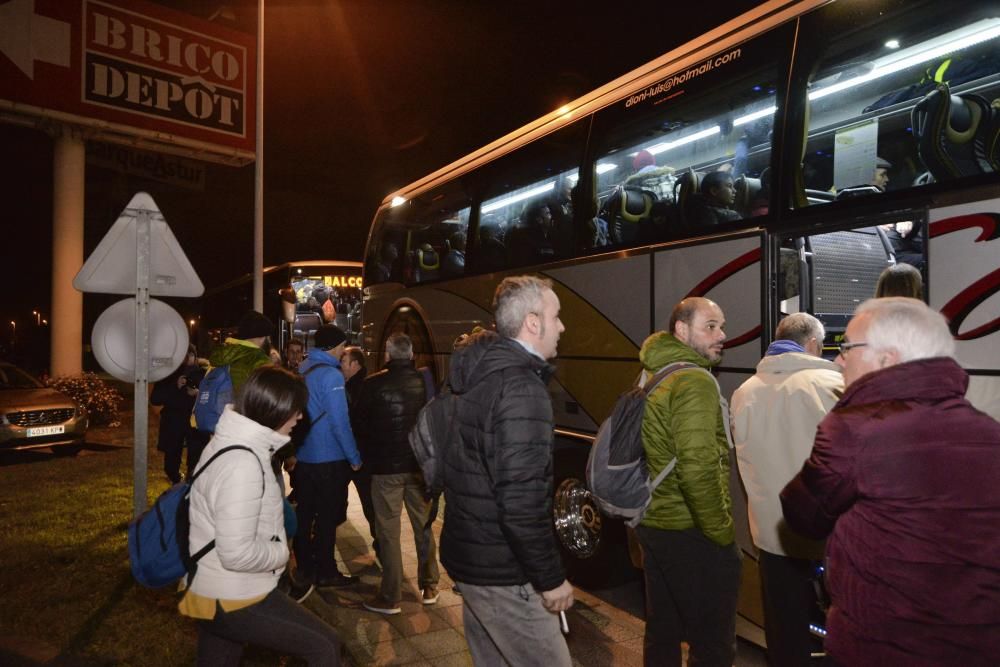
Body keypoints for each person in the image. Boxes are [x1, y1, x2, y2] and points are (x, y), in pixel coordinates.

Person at [781, 298, 1000, 665]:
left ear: (886, 359)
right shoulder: (988, 431)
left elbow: (803, 514)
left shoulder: (855, 428)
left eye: (847, 346)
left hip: (880, 644)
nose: (838, 359)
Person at [440, 276, 573, 666]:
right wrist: (550, 579)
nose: (562, 326)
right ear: (533, 322)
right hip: (504, 572)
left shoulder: (480, 375)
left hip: (473, 561)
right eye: (556, 316)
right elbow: (521, 502)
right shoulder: (521, 389)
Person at [182, 366, 343, 666]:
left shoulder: (230, 442)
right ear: (275, 409)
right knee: (325, 646)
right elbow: (236, 553)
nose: (299, 417)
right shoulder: (243, 463)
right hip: (233, 593)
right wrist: (280, 553)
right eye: (296, 410)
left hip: (212, 585)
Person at [730, 313, 843, 666]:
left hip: (770, 530)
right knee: (843, 620)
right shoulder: (830, 383)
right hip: (824, 530)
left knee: (783, 625)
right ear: (812, 344)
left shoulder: (744, 391)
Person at [636, 296, 740, 667]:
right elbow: (697, 468)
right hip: (689, 529)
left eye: (721, 326)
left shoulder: (655, 371)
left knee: (662, 629)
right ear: (681, 330)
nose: (722, 335)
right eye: (710, 326)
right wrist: (722, 533)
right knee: (712, 644)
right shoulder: (694, 381)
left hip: (654, 520)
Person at [354, 333, 439, 615]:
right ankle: (429, 585)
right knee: (423, 526)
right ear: (411, 354)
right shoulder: (425, 383)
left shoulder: (371, 385)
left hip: (385, 469)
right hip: (418, 468)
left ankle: (391, 596)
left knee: (388, 530)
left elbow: (360, 427)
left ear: (388, 356)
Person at [292, 325, 362, 588]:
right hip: (327, 459)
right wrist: (353, 456)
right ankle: (326, 571)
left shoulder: (304, 369)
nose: (344, 350)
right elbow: (339, 423)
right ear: (335, 346)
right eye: (343, 346)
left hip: (304, 457)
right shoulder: (332, 377)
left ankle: (305, 567)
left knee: (305, 513)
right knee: (327, 517)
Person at [190, 310, 275, 476]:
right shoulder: (258, 360)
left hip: (218, 434)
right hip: (248, 439)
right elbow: (270, 405)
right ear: (261, 337)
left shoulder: (221, 355)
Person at [340, 345, 379, 562]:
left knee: (369, 505)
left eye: (344, 362)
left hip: (359, 457)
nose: (341, 366)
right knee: (368, 504)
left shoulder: (363, 388)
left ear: (355, 364)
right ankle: (381, 545)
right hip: (357, 455)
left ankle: (381, 545)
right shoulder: (352, 385)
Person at [150, 344, 204, 484]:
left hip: (195, 421)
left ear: (195, 356)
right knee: (171, 461)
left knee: (195, 458)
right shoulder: (168, 375)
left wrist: (198, 394)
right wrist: (175, 385)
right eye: (184, 356)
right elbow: (155, 399)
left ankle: (190, 483)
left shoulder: (203, 373)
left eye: (190, 355)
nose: (187, 359)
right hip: (173, 421)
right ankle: (176, 479)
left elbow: (210, 397)